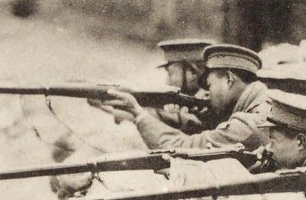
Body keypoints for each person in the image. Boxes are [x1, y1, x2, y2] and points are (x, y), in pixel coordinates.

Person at [102, 44, 270, 150]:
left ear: (228, 79)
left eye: (210, 86)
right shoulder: (260, 104)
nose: (206, 94)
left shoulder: (249, 124)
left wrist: (139, 114)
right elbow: (197, 124)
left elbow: (181, 148)